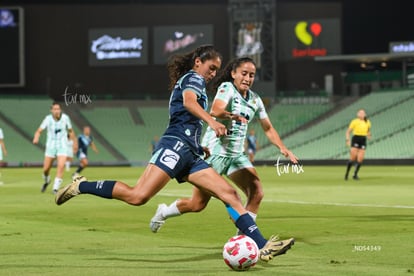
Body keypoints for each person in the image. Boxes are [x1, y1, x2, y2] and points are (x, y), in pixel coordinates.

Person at [55, 45, 294, 262]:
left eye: (216, 70)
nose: (212, 74)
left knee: (229, 194)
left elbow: (186, 116)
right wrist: (212, 122)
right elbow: (190, 104)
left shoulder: (197, 81)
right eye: (211, 68)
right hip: (174, 146)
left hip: (189, 151)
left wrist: (198, 145)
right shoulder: (192, 78)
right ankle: (81, 186)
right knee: (137, 196)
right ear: (198, 62)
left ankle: (262, 245)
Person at [149, 57, 298, 237]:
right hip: (215, 153)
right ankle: (164, 211)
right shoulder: (227, 88)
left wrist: (282, 148)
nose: (247, 78)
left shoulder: (255, 100)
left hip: (236, 156)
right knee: (197, 204)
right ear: (233, 74)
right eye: (244, 73)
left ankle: (243, 240)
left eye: (251, 75)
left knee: (256, 192)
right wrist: (231, 115)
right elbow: (216, 110)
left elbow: (267, 127)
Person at [33, 102, 78, 193]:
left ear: (60, 110)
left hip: (62, 145)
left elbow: (70, 131)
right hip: (50, 146)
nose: (57, 111)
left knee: (61, 166)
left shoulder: (65, 118)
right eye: (55, 109)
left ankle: (55, 188)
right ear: (51, 110)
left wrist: (74, 143)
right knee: (46, 169)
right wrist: (36, 137)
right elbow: (39, 130)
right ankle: (47, 180)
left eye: (58, 109)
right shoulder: (48, 119)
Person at [345, 109, 371, 180]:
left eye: (362, 113)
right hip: (356, 138)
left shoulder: (367, 122)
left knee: (360, 159)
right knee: (353, 158)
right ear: (358, 114)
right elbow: (348, 132)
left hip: (363, 139)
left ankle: (355, 174)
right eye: (360, 113)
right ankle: (347, 173)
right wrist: (347, 139)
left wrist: (369, 135)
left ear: (365, 114)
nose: (361, 114)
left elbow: (368, 130)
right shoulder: (354, 121)